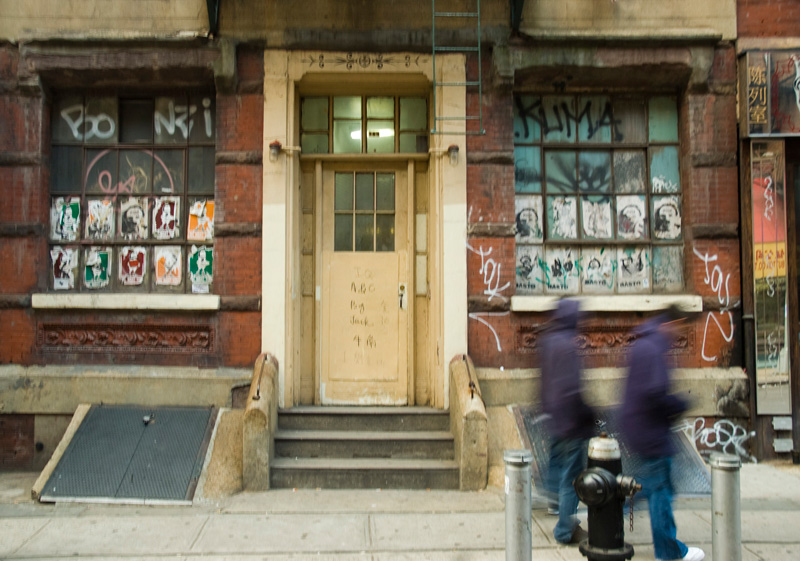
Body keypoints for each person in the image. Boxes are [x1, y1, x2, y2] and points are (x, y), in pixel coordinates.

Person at [618, 305, 705, 561]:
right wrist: (680, 404)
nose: (679, 334)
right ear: (672, 323)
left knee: (651, 486)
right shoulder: (654, 347)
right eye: (681, 327)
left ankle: (609, 514)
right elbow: (655, 393)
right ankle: (669, 552)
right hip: (650, 430)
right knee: (661, 491)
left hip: (639, 427)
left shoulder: (643, 343)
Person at [539, 298, 595, 544]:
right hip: (571, 421)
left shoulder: (548, 342)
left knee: (557, 463)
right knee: (571, 479)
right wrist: (588, 414)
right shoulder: (568, 347)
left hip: (554, 416)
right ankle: (564, 529)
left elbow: (543, 379)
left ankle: (552, 500)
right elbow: (573, 387)